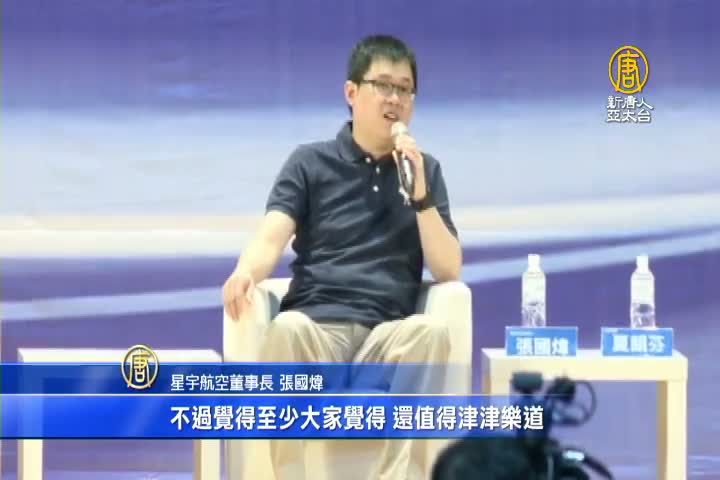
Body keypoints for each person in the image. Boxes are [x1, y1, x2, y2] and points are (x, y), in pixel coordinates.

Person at [222, 34, 462, 480]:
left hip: (386, 336)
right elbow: (271, 236)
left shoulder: (424, 169)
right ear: (352, 92)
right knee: (286, 329)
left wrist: (421, 197)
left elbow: (449, 269)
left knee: (430, 333)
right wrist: (245, 270)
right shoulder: (309, 162)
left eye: (405, 89)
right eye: (383, 85)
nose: (394, 99)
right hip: (318, 332)